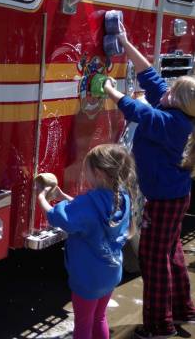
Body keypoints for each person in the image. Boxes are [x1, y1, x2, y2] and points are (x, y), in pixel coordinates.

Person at [103, 26, 195, 339]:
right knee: (172, 253)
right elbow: (150, 77)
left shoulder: (170, 121)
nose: (163, 90)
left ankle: (160, 326)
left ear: (178, 100)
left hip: (164, 200)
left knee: (154, 260)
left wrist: (109, 89)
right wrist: (126, 43)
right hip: (175, 197)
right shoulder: (178, 112)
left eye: (171, 90)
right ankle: (184, 310)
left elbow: (137, 111)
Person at [37, 144, 135, 339]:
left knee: (83, 323)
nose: (85, 174)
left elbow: (59, 218)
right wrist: (62, 196)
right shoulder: (122, 196)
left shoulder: (89, 203)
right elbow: (90, 215)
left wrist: (40, 195)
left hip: (88, 277)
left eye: (86, 170)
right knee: (99, 317)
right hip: (110, 272)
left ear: (98, 173)